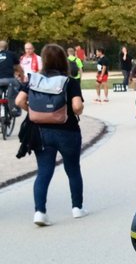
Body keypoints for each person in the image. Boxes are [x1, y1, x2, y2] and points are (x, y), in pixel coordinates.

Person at [15, 43, 85, 225]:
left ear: (44, 60)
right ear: (63, 60)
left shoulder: (33, 79)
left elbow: (19, 100)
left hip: (41, 131)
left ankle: (40, 211)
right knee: (73, 169)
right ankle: (77, 208)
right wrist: (78, 111)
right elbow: (77, 107)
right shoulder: (69, 81)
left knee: (44, 171)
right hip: (67, 131)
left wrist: (31, 110)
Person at [0, 40, 21, 113]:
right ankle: (14, 110)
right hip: (10, 80)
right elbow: (18, 67)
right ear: (7, 48)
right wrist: (22, 76)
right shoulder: (11, 54)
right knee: (17, 88)